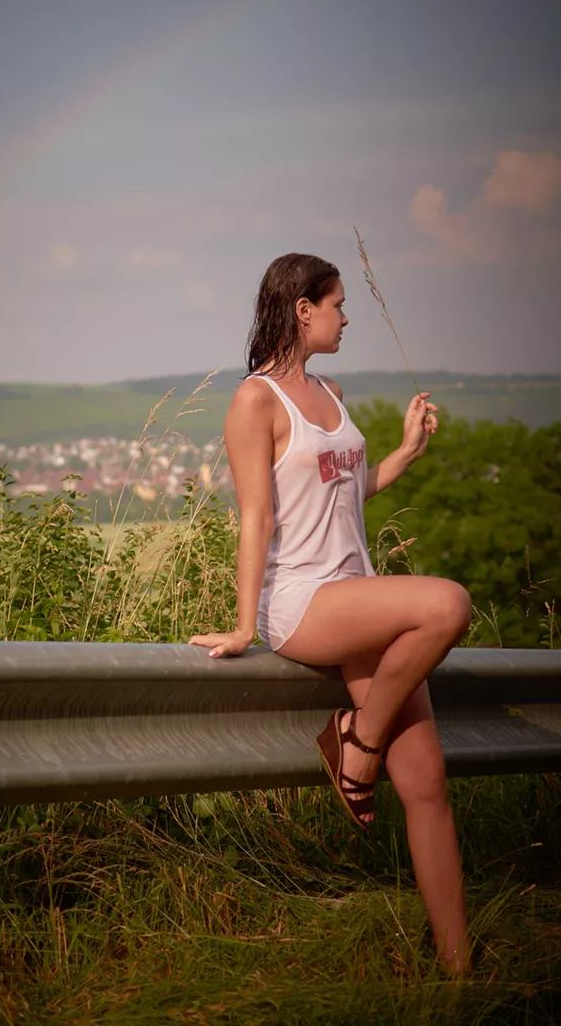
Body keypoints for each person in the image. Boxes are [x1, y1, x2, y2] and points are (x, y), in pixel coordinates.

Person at [188, 252, 472, 975]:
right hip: (305, 604)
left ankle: (460, 973)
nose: (348, 317)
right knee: (446, 602)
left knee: (429, 784)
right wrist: (244, 623)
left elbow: (342, 498)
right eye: (339, 305)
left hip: (359, 596)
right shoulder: (255, 402)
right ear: (302, 308)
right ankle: (355, 740)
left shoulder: (332, 393)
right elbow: (257, 518)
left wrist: (404, 455)